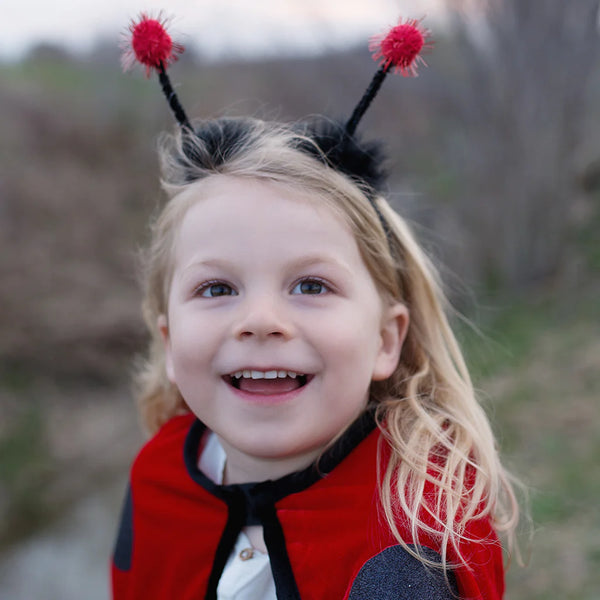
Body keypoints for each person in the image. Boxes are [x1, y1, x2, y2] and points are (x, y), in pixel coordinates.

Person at [112, 14, 519, 600]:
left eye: (310, 286)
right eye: (218, 288)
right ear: (170, 342)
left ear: (385, 340)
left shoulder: (409, 548)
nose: (259, 321)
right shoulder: (157, 483)